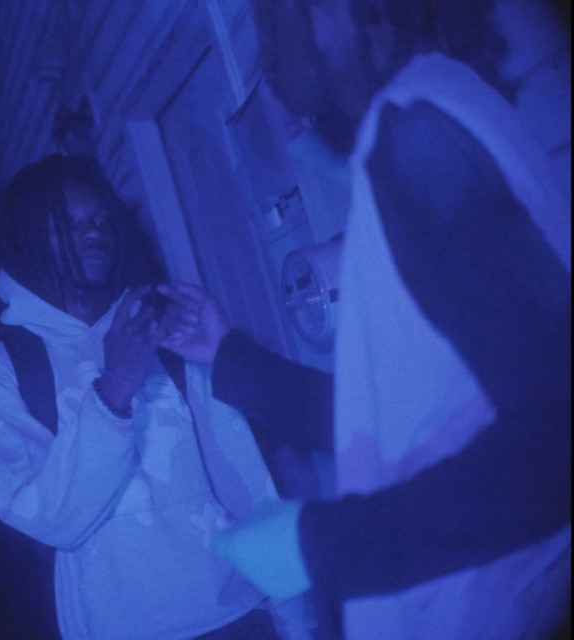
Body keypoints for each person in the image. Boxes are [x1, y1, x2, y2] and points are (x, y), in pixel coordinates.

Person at [157, 1, 571, 638]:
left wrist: (315, 543)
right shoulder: (436, 107)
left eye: (268, 20)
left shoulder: (416, 140)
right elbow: (409, 410)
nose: (262, 52)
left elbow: (555, 448)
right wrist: (226, 353)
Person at [0, 153, 315, 639]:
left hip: (239, 618)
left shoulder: (163, 330)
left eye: (100, 220)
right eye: (66, 223)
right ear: (25, 238)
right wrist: (115, 386)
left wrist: (299, 619)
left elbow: (247, 481)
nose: (93, 233)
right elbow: (53, 519)